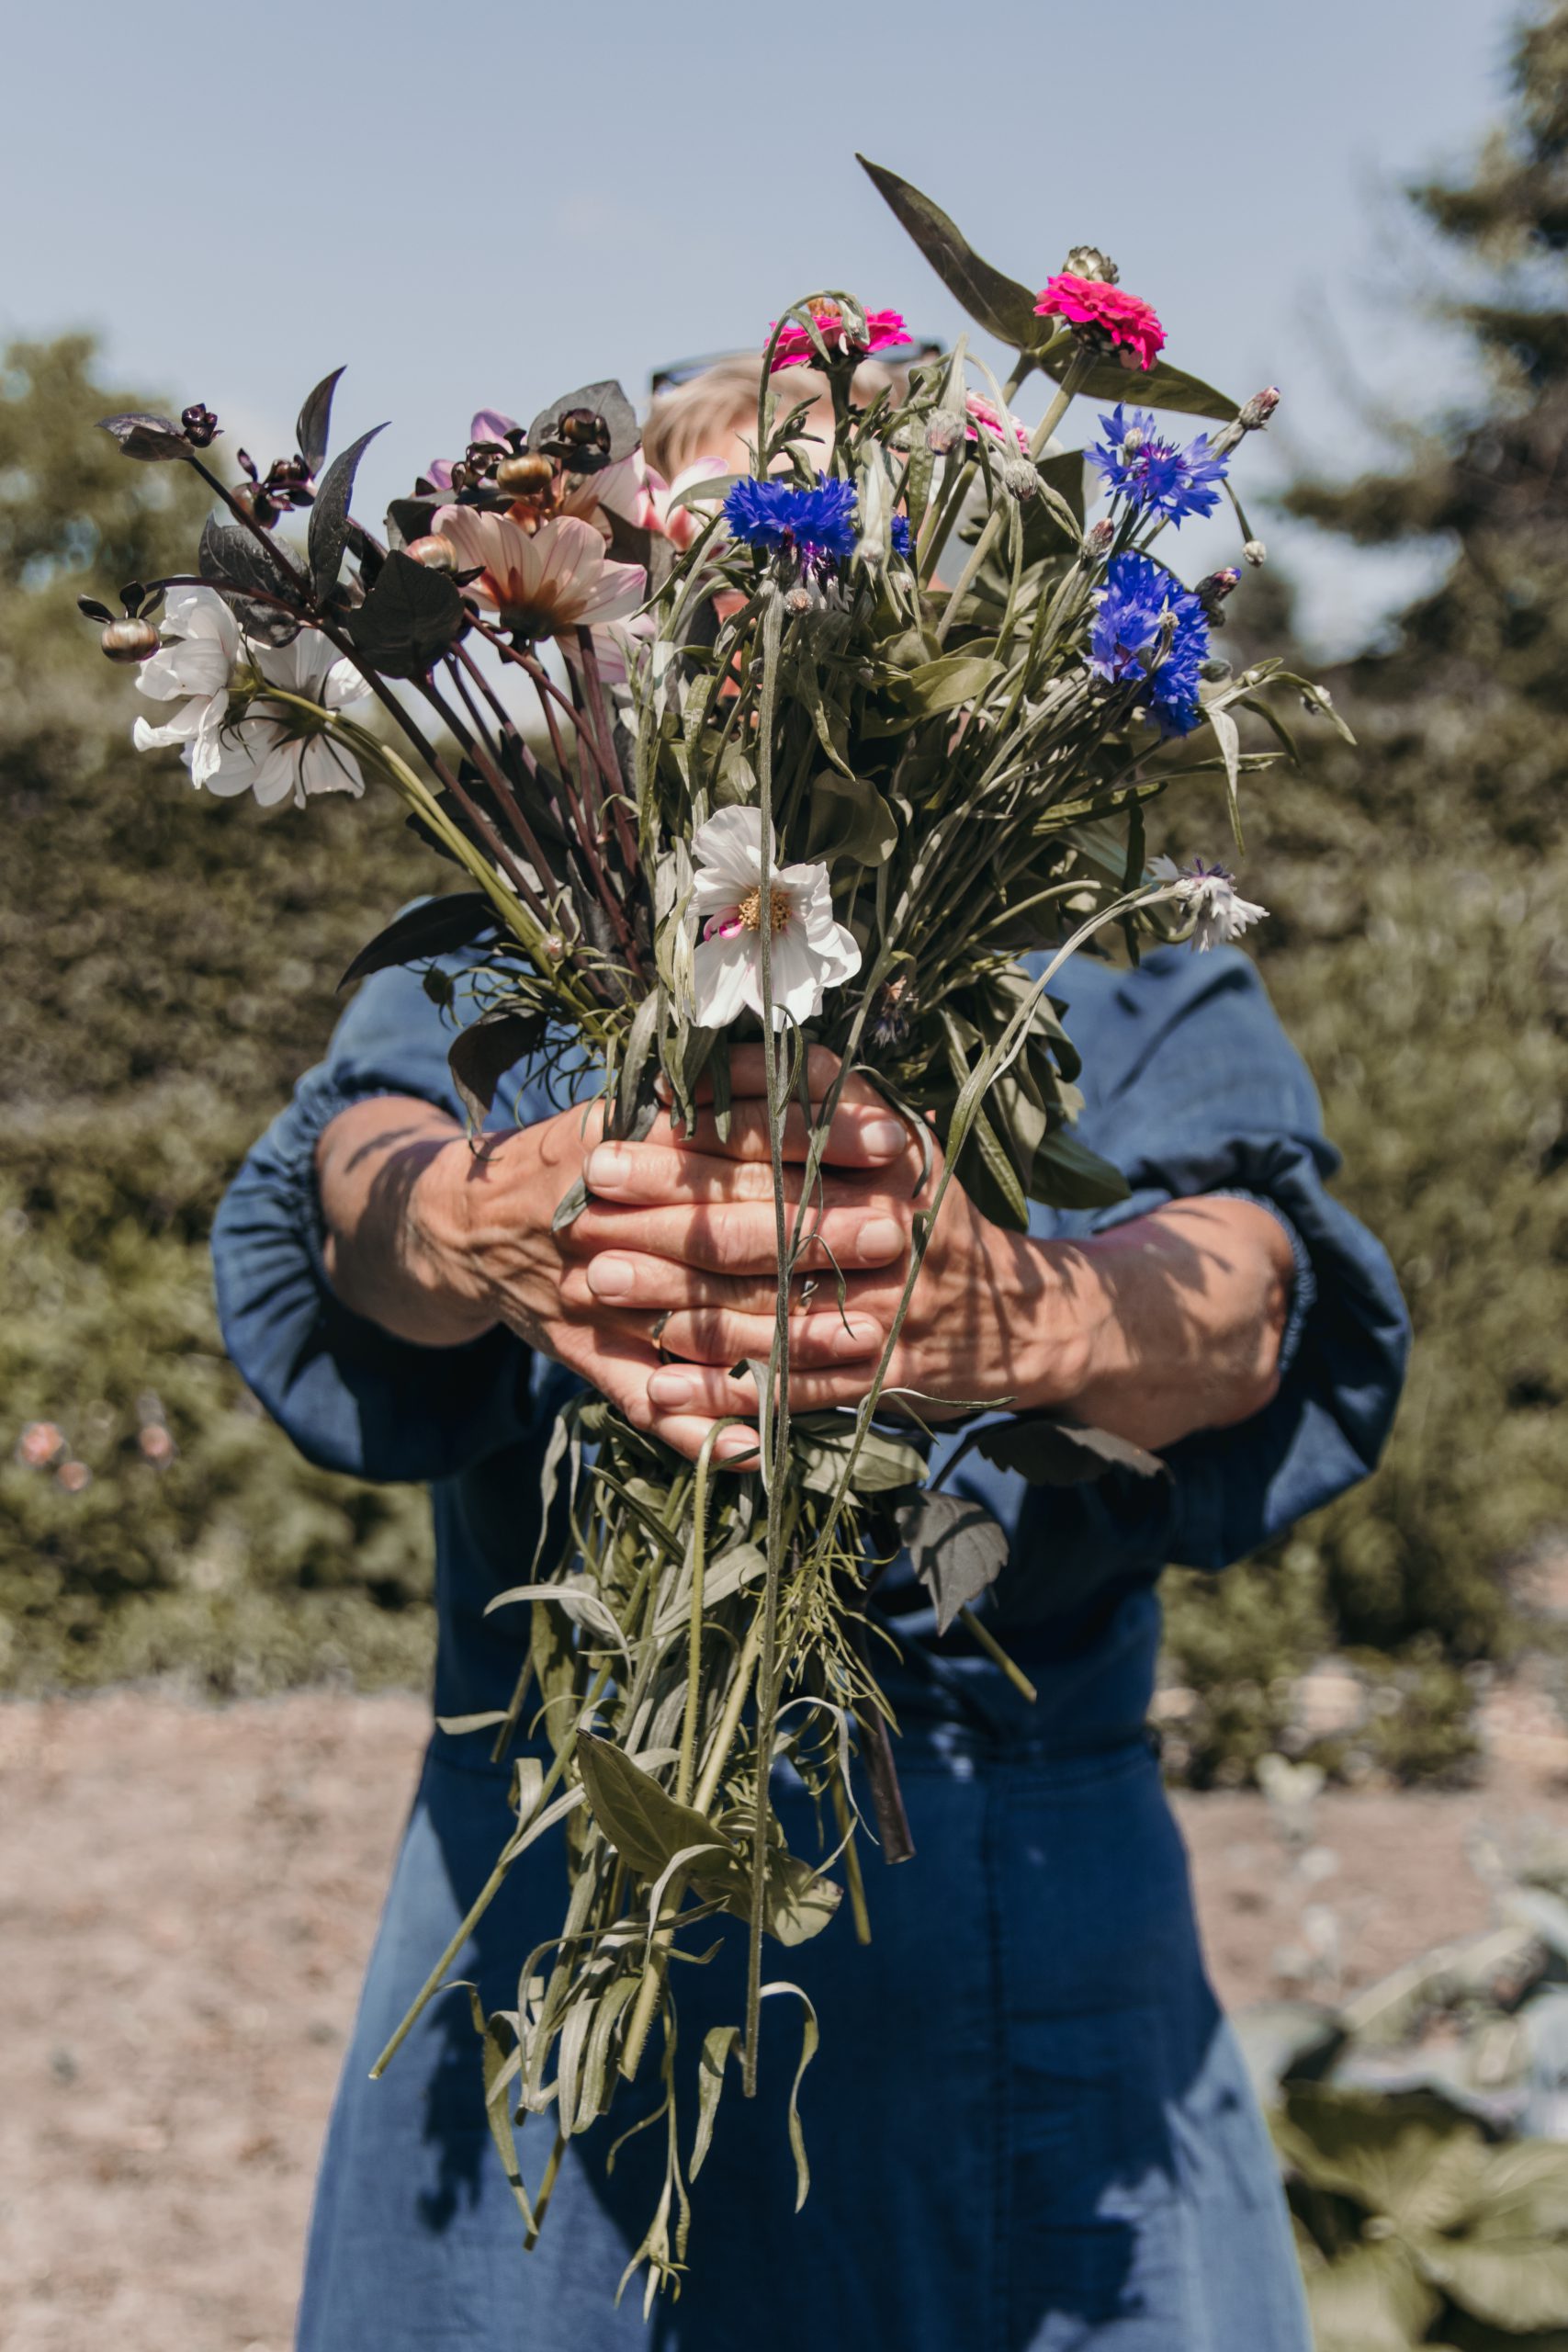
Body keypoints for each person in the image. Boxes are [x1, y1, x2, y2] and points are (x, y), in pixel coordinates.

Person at [210, 356, 1410, 2351]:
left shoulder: (1095, 945)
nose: (763, 622)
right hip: (556, 1901)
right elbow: (347, 1187)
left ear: (952, 611)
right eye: (698, 574)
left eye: (838, 561)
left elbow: (1253, 1288)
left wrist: (1012, 1315)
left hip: (997, 1929)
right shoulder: (526, 931)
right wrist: (469, 1223)